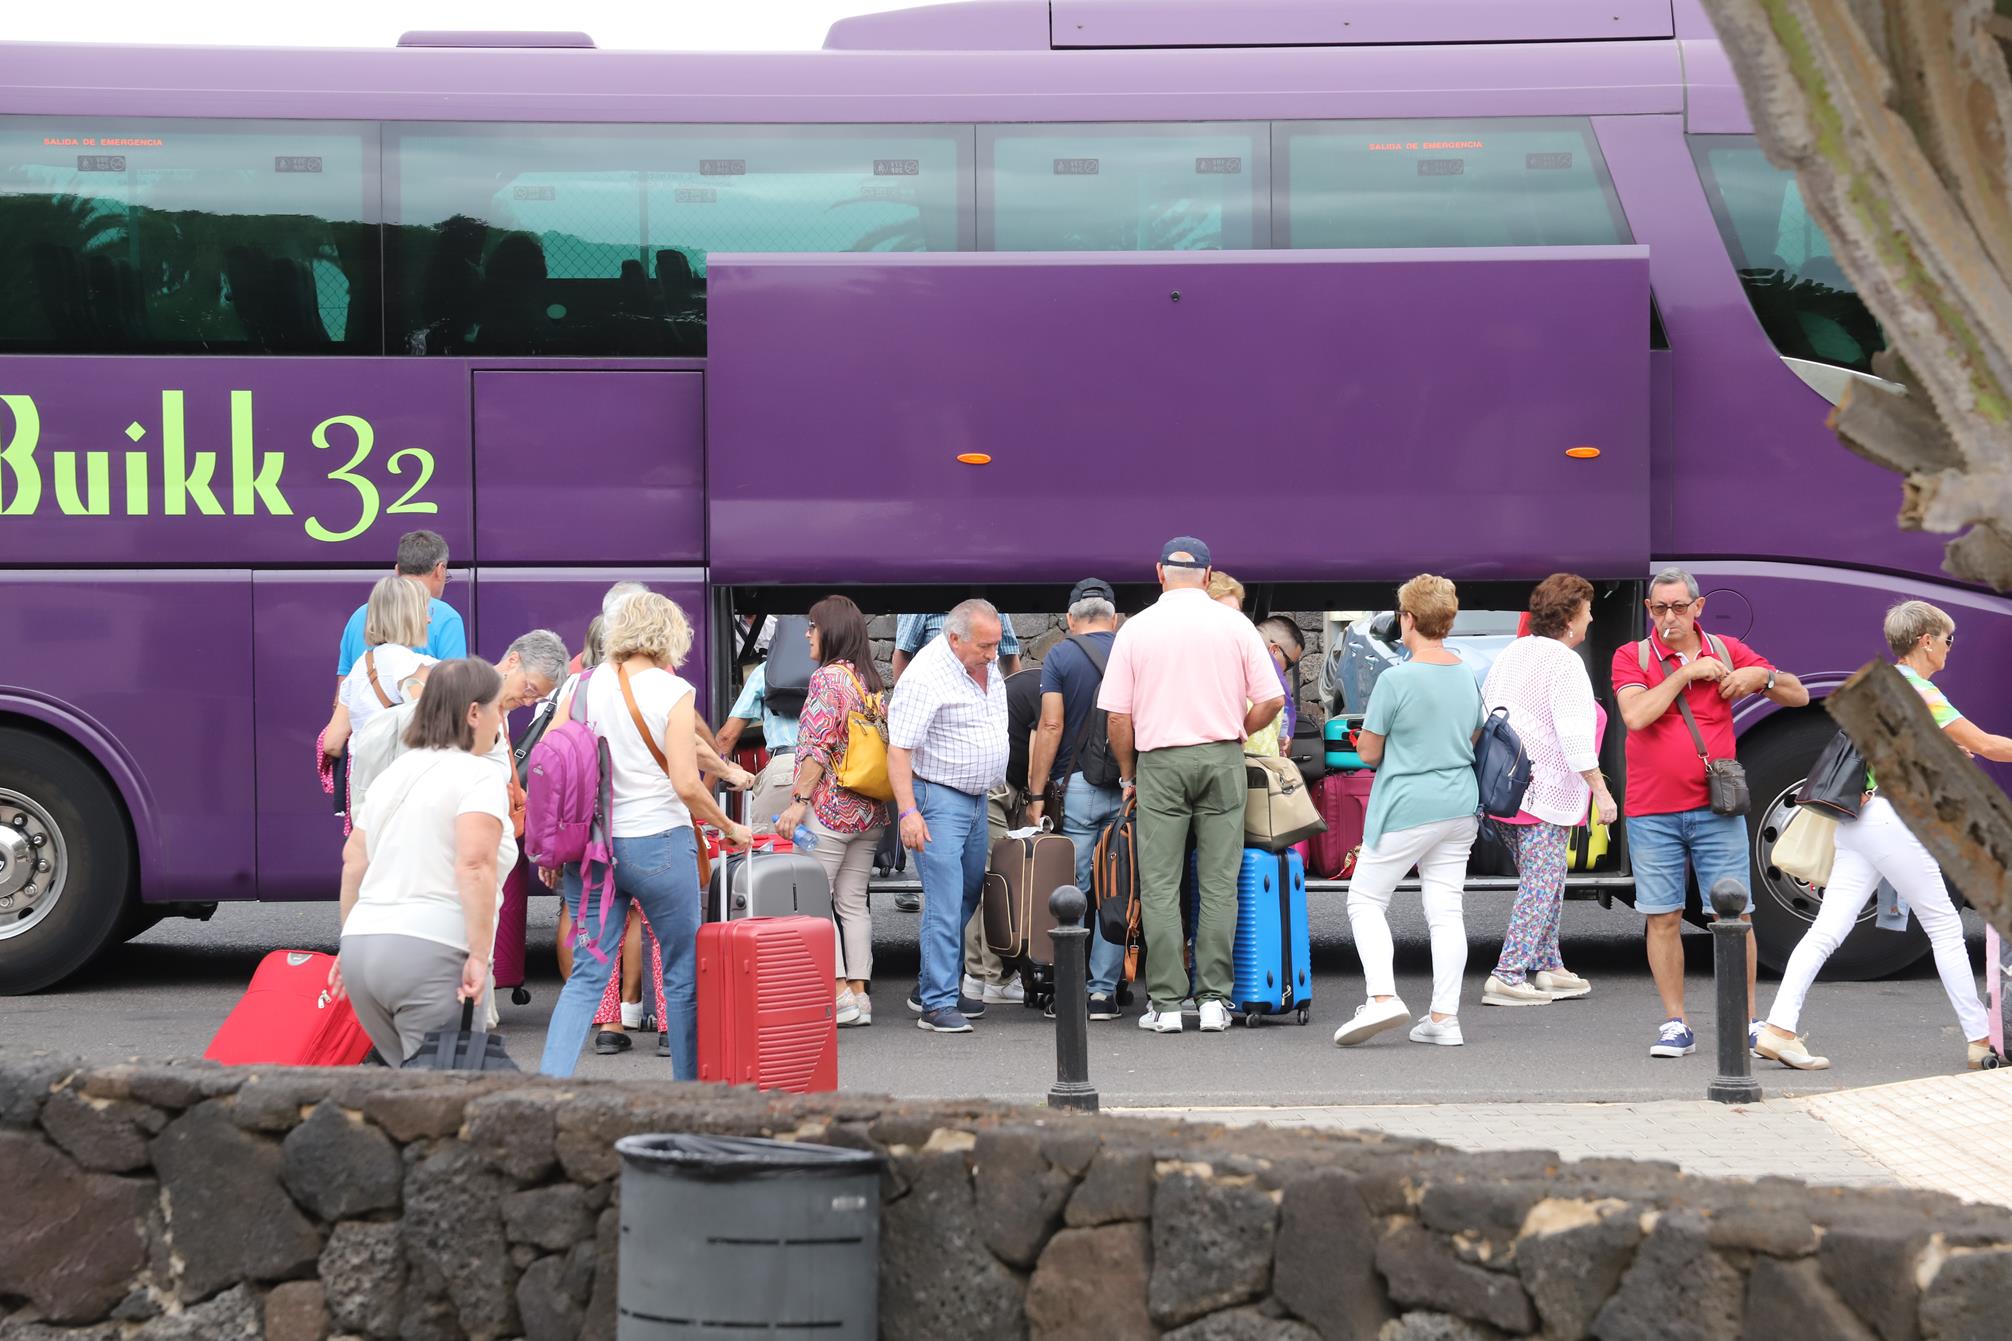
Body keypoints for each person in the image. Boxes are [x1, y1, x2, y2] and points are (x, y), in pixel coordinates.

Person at [1758, 600, 2012, 1071]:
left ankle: (1778, 1028)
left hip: (1857, 821)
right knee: (1945, 927)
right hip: (1894, 822)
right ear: (1926, 641)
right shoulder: (1920, 690)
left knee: (1827, 930)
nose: (1950, 650)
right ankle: (1980, 1041)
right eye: (1948, 640)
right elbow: (1988, 745)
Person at [537, 593, 753, 1079]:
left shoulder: (581, 685)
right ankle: (686, 1092)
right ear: (669, 635)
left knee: (588, 976)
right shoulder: (671, 692)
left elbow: (550, 762)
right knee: (681, 974)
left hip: (594, 850)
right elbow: (684, 782)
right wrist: (728, 826)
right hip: (659, 846)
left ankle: (549, 1085)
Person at [1613, 567, 1807, 1059]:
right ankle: (1675, 1023)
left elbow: (1799, 695)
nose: (1669, 618)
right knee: (1663, 917)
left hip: (1716, 809)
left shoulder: (1725, 650)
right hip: (1651, 810)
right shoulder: (1631, 656)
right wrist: (1683, 672)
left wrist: (1761, 676)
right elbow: (1635, 716)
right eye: (1659, 609)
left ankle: (1746, 1021)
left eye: (1678, 608)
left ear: (1698, 608)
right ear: (1649, 610)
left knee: (1736, 917)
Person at [1099, 537, 1282, 1034]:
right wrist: (1237, 727)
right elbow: (1272, 700)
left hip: (1159, 761)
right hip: (1222, 756)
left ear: (1159, 571)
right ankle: (1214, 1001)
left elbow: (1119, 717)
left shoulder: (1136, 630)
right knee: (1220, 885)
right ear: (1207, 574)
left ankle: (1165, 1002)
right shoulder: (1234, 624)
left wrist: (1129, 774)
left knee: (1160, 886)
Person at [1331, 575, 1488, 1048]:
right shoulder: (1465, 672)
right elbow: (1475, 734)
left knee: (1365, 900)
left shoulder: (1395, 679)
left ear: (1408, 619)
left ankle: (1382, 997)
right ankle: (1444, 1018)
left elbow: (1370, 754)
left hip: (1407, 805)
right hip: (1460, 803)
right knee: (1445, 911)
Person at [331, 658, 514, 1064]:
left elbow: (353, 860)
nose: (500, 722)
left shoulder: (392, 774)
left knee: (407, 1092)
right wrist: (481, 957)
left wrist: (348, 943)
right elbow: (474, 866)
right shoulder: (479, 776)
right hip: (433, 949)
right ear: (472, 712)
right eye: (497, 709)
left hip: (363, 948)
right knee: (445, 1099)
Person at [1478, 574, 1617, 1007]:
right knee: (1541, 883)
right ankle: (1508, 972)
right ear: (1572, 617)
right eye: (1588, 610)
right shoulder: (1564, 662)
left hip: (1504, 789)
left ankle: (1550, 964)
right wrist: (1602, 792)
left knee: (1548, 881)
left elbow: (1487, 712)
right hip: (1542, 792)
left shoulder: (1513, 652)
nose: (1592, 618)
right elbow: (1575, 736)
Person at [888, 599, 1010, 1034]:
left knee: (966, 894)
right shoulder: (925, 675)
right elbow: (899, 749)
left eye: (996, 644)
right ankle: (937, 1004)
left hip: (975, 798)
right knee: (944, 900)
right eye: (985, 646)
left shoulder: (978, 661)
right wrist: (908, 812)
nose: (993, 654)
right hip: (938, 798)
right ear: (954, 638)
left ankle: (933, 986)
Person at [773, 596, 892, 1027]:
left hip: (830, 809)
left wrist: (798, 801)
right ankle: (860, 995)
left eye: (812, 626)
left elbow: (817, 747)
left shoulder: (827, 679)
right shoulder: (869, 682)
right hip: (868, 812)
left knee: (814, 899)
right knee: (854, 903)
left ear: (831, 631)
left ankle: (837, 990)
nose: (807, 633)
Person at [1023, 578, 1127, 1020]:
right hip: (1128, 786)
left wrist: (1035, 792)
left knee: (1076, 891)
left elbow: (1050, 726)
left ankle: (1071, 989)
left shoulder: (1061, 655)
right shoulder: (1131, 651)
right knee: (1116, 888)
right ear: (1114, 617)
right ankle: (1104, 992)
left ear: (1069, 619)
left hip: (1078, 787)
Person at [347, 629, 567, 801]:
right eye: (529, 688)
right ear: (513, 660)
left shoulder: (496, 709)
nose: (528, 702)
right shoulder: (462, 696)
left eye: (537, 698)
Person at [323, 575, 437, 760]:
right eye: (423, 611)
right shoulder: (415, 667)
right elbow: (431, 733)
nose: (429, 619)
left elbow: (332, 743)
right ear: (408, 616)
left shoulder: (360, 667)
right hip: (402, 783)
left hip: (362, 783)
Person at [335, 529, 467, 678]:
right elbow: (455, 691)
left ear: (397, 570)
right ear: (440, 570)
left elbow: (342, 694)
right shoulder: (447, 617)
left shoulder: (359, 616)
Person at [716, 661, 800, 834]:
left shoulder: (767, 670)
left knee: (766, 851)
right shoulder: (839, 670)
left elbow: (727, 737)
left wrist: (707, 792)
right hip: (834, 771)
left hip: (787, 769)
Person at [892, 611, 1022, 681]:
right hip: (938, 698)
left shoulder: (991, 603)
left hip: (984, 700)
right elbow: (903, 653)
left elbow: (1009, 655)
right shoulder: (922, 597)